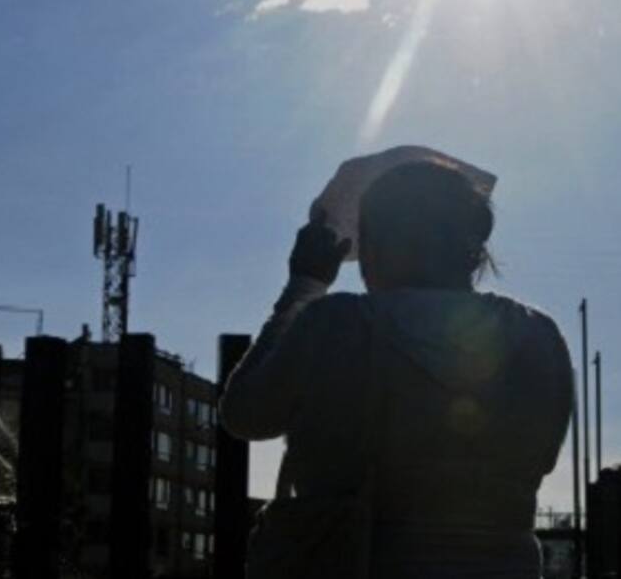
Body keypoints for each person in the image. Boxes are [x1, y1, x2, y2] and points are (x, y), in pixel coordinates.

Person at [220, 159, 573, 579]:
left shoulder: (335, 323)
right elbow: (541, 455)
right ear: (473, 245)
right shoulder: (537, 335)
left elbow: (244, 414)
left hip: (350, 559)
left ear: (375, 243)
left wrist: (305, 286)